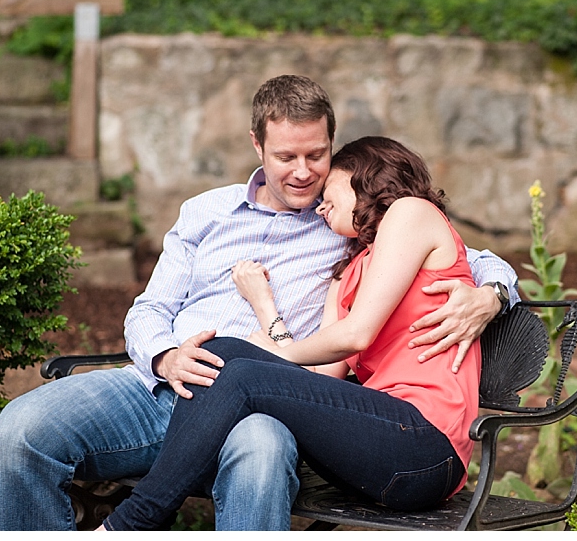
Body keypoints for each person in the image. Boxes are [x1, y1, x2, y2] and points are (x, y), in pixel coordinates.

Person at [0, 75, 519, 530]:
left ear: (334, 147)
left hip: (262, 411)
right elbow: (148, 309)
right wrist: (164, 357)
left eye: (317, 155)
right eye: (286, 156)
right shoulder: (206, 212)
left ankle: (133, 522)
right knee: (20, 431)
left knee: (258, 444)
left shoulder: (352, 223)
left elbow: (469, 257)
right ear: (257, 146)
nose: (304, 172)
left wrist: (492, 294)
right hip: (161, 387)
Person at [99, 136, 492, 530]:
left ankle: (133, 522)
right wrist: (265, 308)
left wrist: (494, 294)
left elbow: (357, 335)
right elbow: (318, 380)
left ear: (361, 175)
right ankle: (147, 516)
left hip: (424, 446)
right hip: (375, 449)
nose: (321, 205)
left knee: (235, 363)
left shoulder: (412, 213)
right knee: (224, 354)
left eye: (329, 189)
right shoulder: (347, 272)